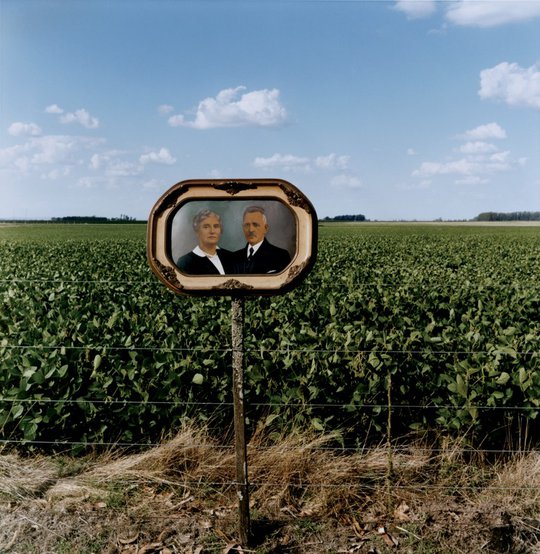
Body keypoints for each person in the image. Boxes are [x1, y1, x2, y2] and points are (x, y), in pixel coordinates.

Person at [234, 206, 291, 274]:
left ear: (265, 228)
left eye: (255, 225)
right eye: (247, 225)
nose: (250, 230)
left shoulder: (280, 256)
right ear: (243, 228)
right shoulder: (234, 257)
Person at [176, 209, 234, 275]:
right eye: (206, 227)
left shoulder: (231, 257)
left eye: (216, 226)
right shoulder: (186, 262)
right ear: (197, 231)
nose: (212, 231)